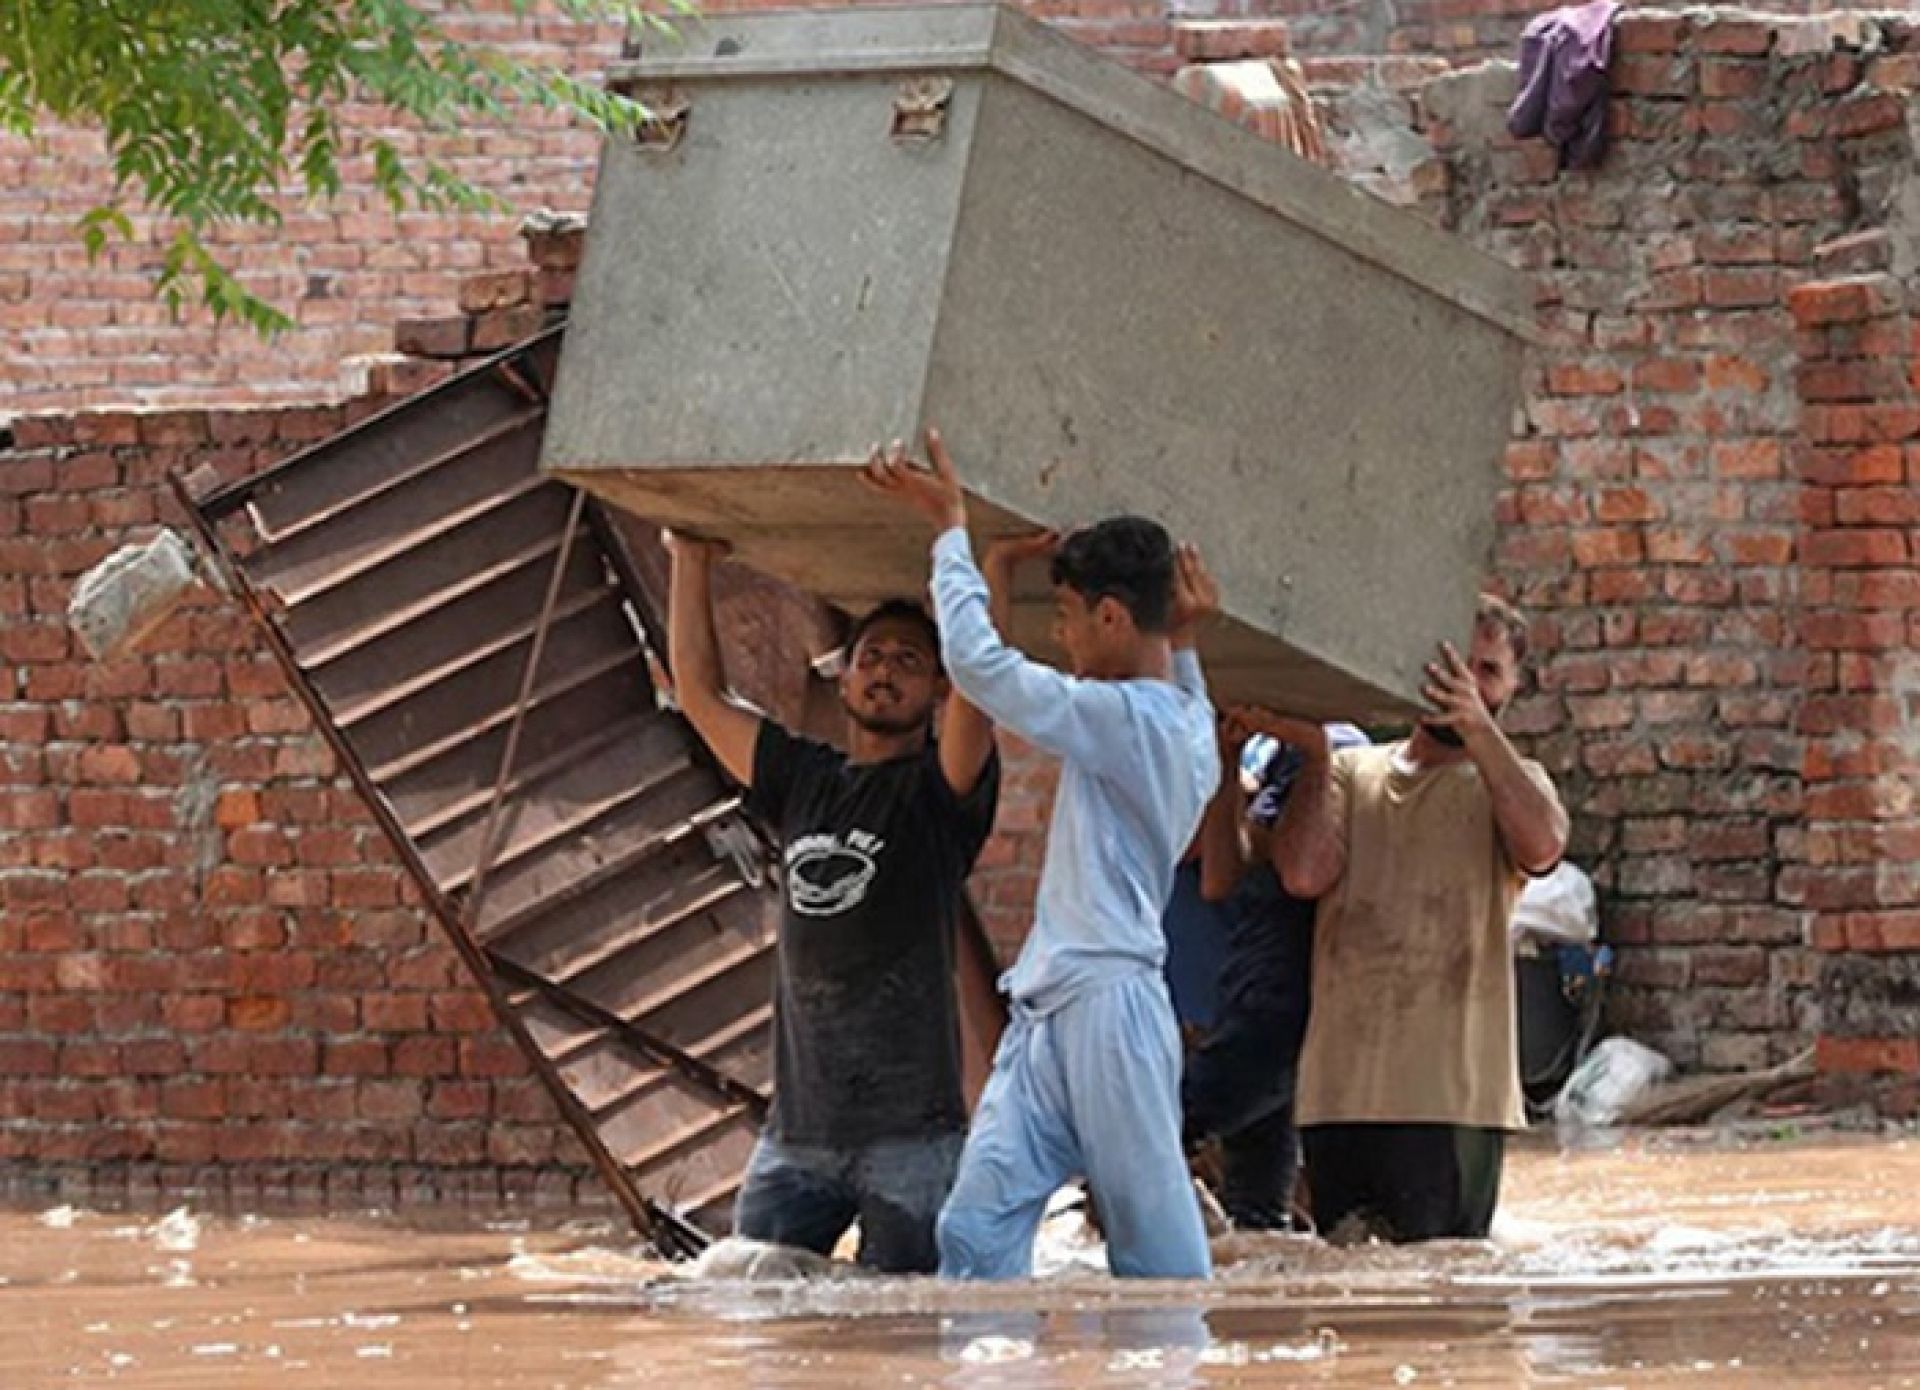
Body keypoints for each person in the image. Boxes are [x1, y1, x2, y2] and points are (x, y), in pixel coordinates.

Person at [862, 429, 1221, 1281]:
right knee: (975, 1232)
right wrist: (1191, 636)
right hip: (1052, 1008)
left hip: (1111, 1011)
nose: (1061, 640)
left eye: (1065, 620)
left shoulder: (1129, 719)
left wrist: (948, 528)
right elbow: (1184, 683)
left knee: (1155, 1255)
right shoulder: (1186, 718)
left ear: (1110, 616)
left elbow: (981, 669)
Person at [665, 530, 1002, 1274]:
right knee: (753, 1313)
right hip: (799, 1135)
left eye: (910, 663)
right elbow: (697, 693)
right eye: (872, 658)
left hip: (912, 1139)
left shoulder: (939, 799)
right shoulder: (803, 779)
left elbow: (981, 697)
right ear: (844, 682)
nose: (886, 673)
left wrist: (982, 579)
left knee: (908, 1329)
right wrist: (690, 560)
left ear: (939, 691)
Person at [1268, 594, 1569, 1243]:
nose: (1466, 684)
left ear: (1513, 687)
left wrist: (1478, 728)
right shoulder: (1350, 770)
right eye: (1455, 666)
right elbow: (1302, 873)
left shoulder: (1516, 785)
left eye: (1487, 672)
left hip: (1453, 1101)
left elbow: (1543, 846)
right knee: (1349, 1289)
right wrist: (1315, 755)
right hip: (1339, 1095)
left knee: (1445, 1296)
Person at [1183, 719, 1368, 1232]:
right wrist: (1225, 756)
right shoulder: (1275, 754)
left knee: (1155, 1130)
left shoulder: (1339, 752)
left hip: (1284, 1016)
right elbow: (1219, 878)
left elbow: (1300, 871)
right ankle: (1249, 1307)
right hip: (1248, 997)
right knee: (1259, 1219)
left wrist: (1312, 750)